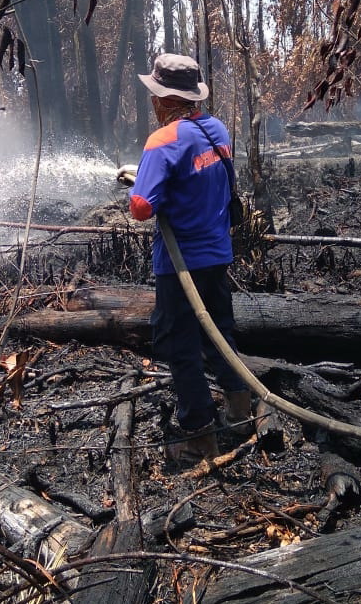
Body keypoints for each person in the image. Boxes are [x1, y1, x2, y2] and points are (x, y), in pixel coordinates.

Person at [117, 53, 251, 463]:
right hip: (217, 253)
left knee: (180, 345)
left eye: (154, 94)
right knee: (219, 333)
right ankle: (240, 414)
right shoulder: (216, 129)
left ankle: (198, 437)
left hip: (181, 265)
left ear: (164, 99)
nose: (152, 101)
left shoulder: (162, 140)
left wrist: (137, 184)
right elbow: (192, 178)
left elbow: (141, 207)